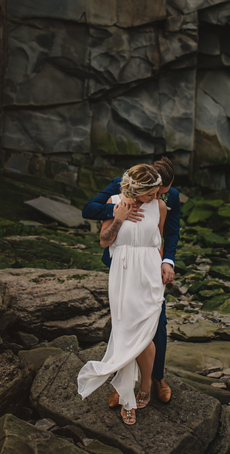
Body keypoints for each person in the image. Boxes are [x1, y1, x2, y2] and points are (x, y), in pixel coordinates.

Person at [81, 157, 180, 408]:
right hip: (123, 268)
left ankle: (155, 379)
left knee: (156, 326)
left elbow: (167, 234)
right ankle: (121, 382)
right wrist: (118, 213)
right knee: (124, 326)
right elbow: (89, 211)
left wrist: (165, 262)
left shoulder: (165, 202)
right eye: (155, 191)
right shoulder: (119, 189)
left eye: (163, 192)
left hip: (151, 272)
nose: (159, 195)